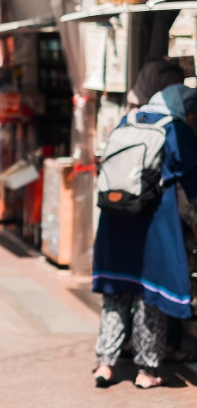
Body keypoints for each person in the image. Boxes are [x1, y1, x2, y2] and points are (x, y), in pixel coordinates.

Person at [92, 83, 197, 389]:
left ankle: (105, 364)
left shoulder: (129, 120)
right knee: (150, 294)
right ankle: (146, 371)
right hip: (152, 222)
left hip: (115, 218)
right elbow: (193, 186)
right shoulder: (176, 129)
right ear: (186, 109)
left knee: (117, 292)